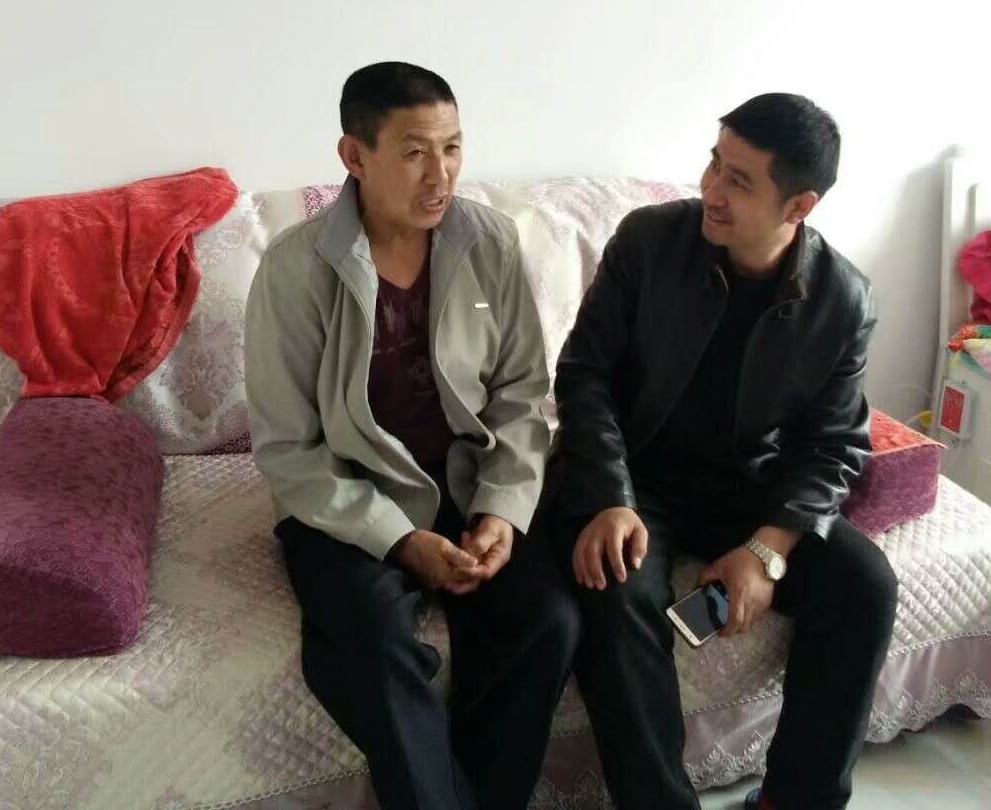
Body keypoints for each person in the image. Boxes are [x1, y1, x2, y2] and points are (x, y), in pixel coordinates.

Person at [551, 93, 899, 810]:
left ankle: (795, 801)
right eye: (714, 164)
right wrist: (609, 497)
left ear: (798, 206)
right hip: (636, 475)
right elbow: (585, 375)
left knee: (864, 584)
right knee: (615, 590)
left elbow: (835, 444)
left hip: (748, 486)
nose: (710, 189)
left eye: (739, 180)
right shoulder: (650, 241)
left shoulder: (842, 299)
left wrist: (767, 551)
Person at [246, 62, 579, 810]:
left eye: (453, 148)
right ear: (354, 156)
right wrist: (399, 541)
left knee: (549, 621)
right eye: (415, 151)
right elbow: (289, 448)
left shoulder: (489, 241)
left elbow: (522, 395)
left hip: (467, 481)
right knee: (366, 641)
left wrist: (501, 510)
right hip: (348, 493)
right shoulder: (295, 268)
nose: (441, 174)